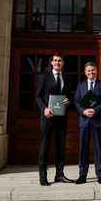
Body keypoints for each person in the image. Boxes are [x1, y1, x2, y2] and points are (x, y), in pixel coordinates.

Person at [35, 53, 74, 186]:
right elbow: (38, 96)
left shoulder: (67, 78)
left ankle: (60, 174)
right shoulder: (44, 77)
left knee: (61, 146)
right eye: (55, 61)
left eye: (60, 61)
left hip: (62, 117)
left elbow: (70, 96)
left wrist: (69, 100)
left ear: (62, 63)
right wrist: (44, 108)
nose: (57, 63)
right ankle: (43, 175)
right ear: (51, 63)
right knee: (45, 146)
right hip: (47, 117)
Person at [73, 61, 101, 184]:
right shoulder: (81, 86)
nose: (91, 72)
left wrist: (95, 110)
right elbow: (76, 102)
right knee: (83, 149)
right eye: (88, 70)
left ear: (96, 70)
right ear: (85, 72)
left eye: (93, 70)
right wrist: (84, 111)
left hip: (97, 121)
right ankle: (82, 175)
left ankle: (100, 175)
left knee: (98, 149)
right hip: (84, 121)